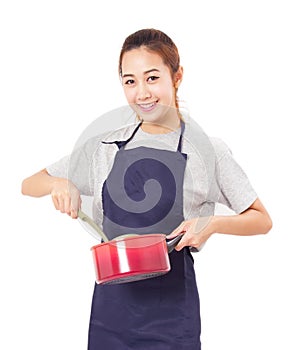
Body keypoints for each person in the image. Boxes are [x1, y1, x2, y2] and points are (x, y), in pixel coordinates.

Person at [22, 28, 272, 349]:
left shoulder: (207, 150)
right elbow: (30, 184)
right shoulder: (105, 144)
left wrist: (212, 224)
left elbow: (261, 219)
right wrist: (61, 182)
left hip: (172, 313)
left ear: (177, 76)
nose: (141, 93)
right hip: (110, 311)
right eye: (130, 81)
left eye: (152, 78)